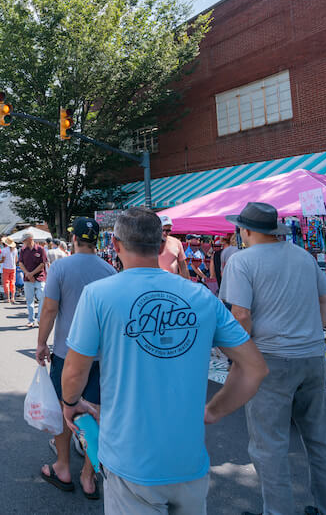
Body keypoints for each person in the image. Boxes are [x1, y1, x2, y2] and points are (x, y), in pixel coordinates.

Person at [62, 207, 268, 512]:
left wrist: (70, 403)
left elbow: (74, 372)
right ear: (162, 247)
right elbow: (255, 368)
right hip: (188, 460)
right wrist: (213, 410)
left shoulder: (98, 295)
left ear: (115, 245)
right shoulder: (200, 297)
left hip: (130, 459)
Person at [219, 201, 326, 515]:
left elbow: (241, 316)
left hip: (270, 359)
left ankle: (278, 511)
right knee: (319, 438)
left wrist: (239, 358)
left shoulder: (242, 261)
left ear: (246, 230)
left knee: (269, 444)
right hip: (311, 355)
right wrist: (309, 330)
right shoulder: (303, 256)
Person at [36, 217, 116, 498]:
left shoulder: (60, 267)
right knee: (93, 411)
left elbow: (48, 310)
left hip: (66, 353)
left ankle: (63, 467)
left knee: (64, 408)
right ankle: (89, 477)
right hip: (98, 355)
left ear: (73, 239)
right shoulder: (109, 270)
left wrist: (40, 343)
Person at [19, 233, 48, 328]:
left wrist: (31, 274)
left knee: (42, 297)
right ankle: (31, 320)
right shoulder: (23, 250)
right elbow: (20, 263)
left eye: (24, 240)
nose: (23, 242)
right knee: (29, 299)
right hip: (28, 278)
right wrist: (28, 273)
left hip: (40, 277)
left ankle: (39, 318)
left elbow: (42, 264)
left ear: (30, 239)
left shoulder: (40, 249)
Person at [0, 237, 18, 304]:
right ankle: (12, 297)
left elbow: (3, 259)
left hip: (6, 267)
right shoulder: (15, 250)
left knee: (6, 282)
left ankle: (7, 298)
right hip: (13, 267)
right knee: (12, 282)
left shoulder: (4, 250)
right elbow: (16, 260)